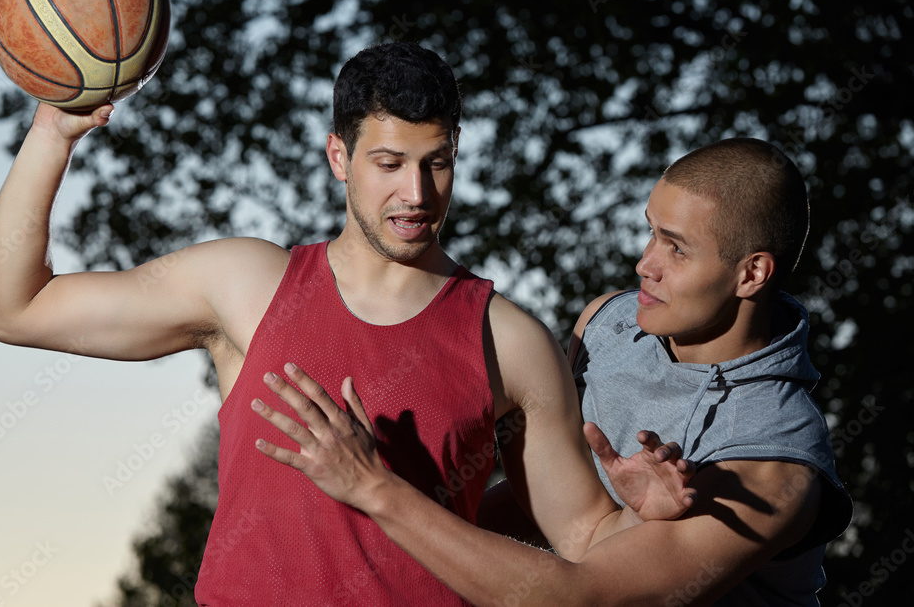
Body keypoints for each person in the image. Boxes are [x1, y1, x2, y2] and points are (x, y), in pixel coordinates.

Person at [0, 41, 693, 605]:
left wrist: (641, 517)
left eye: (437, 163)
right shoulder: (247, 283)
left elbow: (583, 537)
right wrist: (53, 133)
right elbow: (7, 308)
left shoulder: (509, 341)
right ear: (338, 157)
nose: (417, 193)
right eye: (389, 163)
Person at [253, 137, 853, 605]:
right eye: (650, 232)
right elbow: (540, 505)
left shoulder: (773, 464)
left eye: (676, 247)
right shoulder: (609, 324)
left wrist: (374, 488)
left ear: (751, 274)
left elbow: (582, 597)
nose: (645, 264)